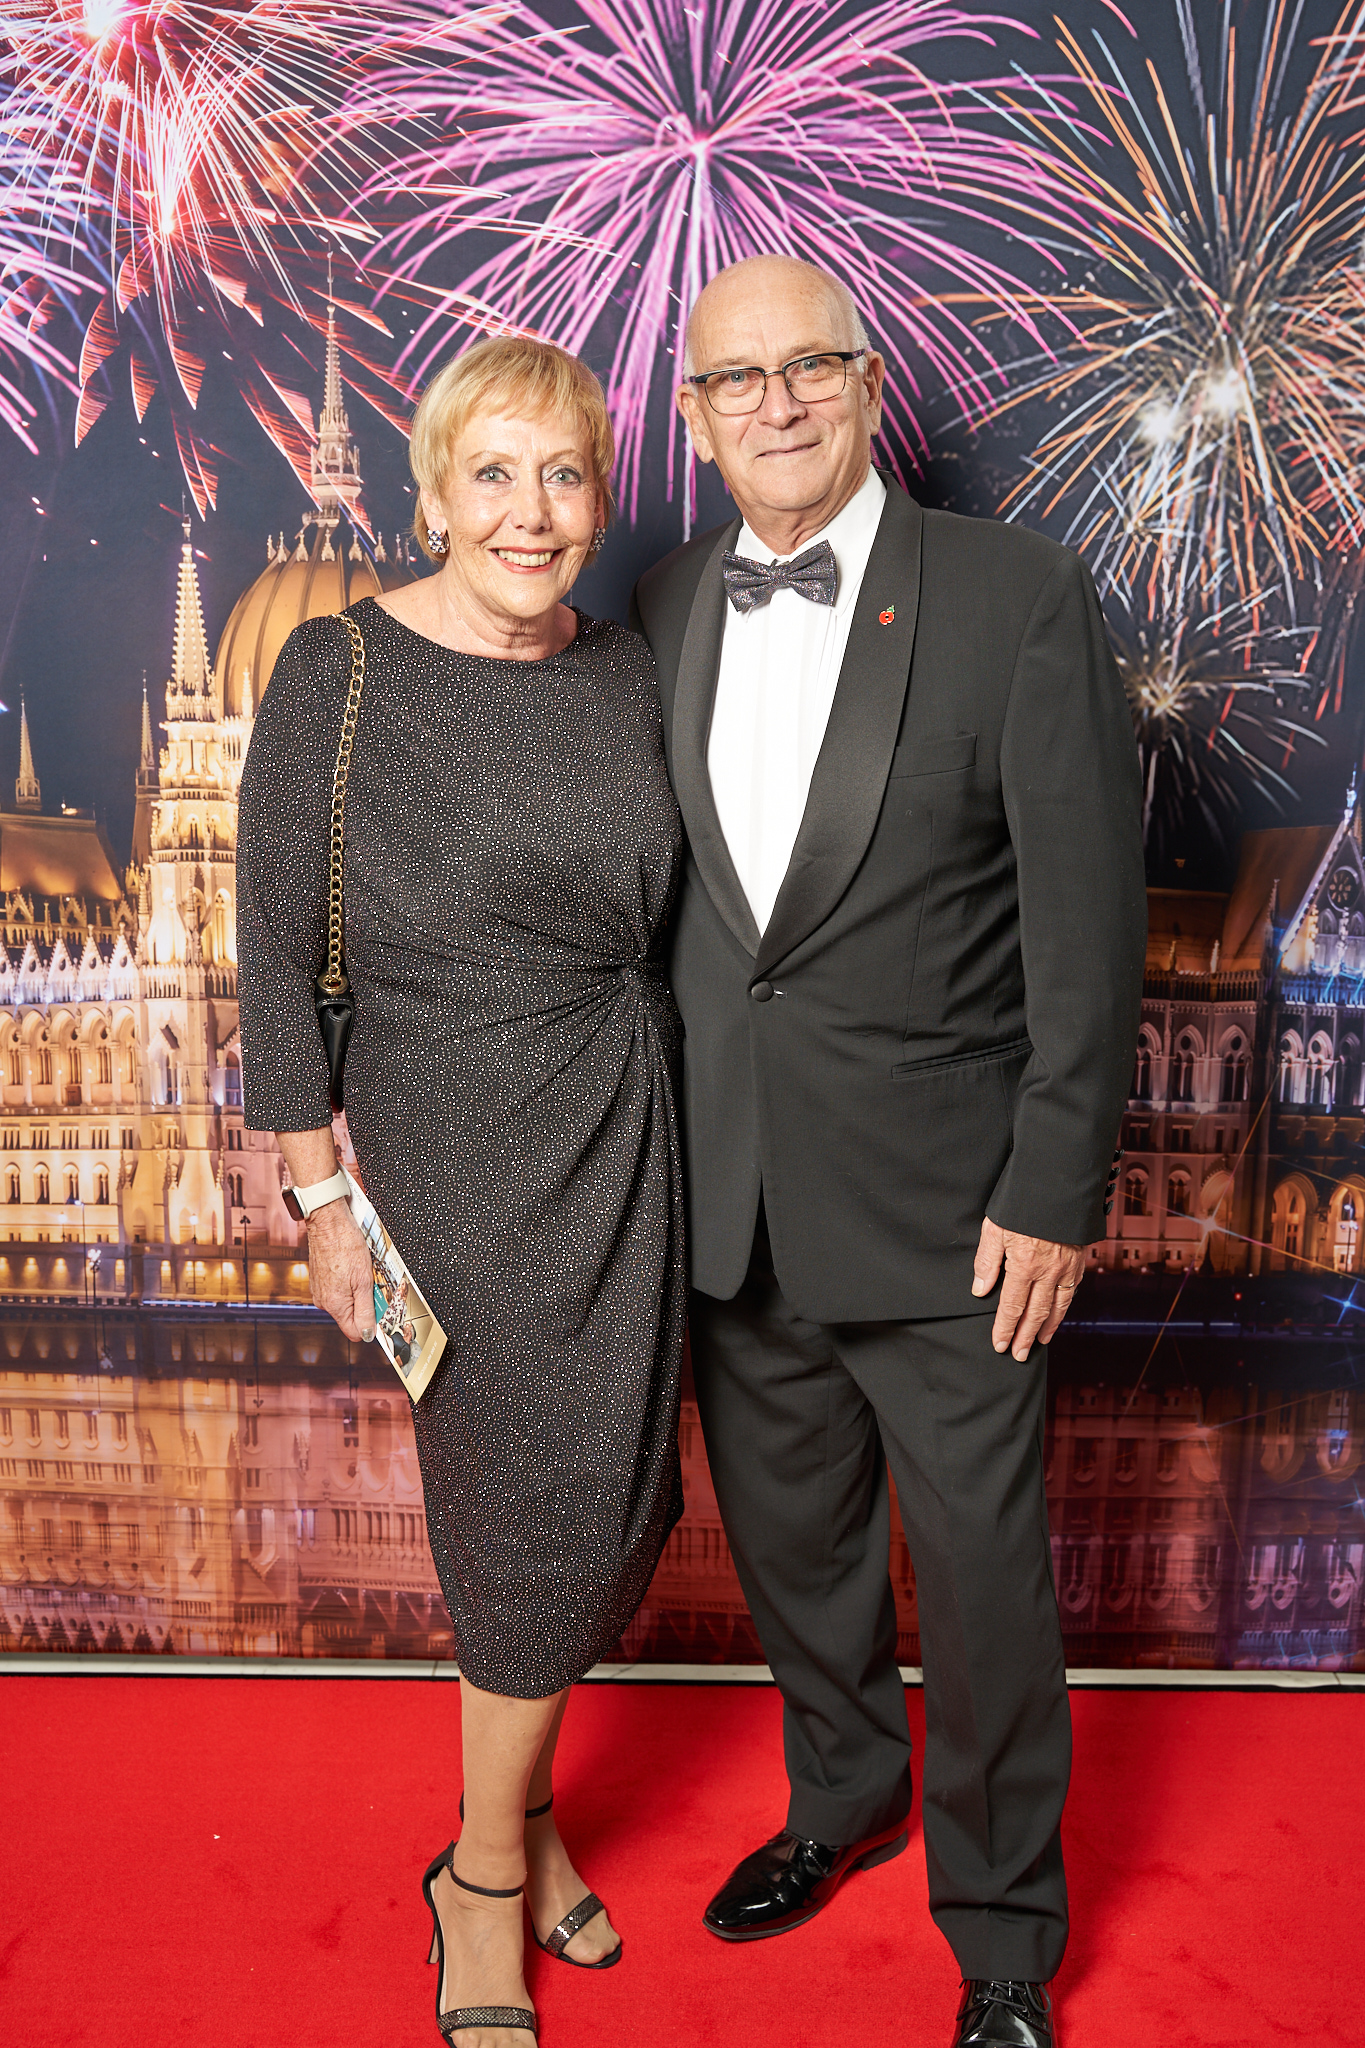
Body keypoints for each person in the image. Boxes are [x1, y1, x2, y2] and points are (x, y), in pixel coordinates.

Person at [630, 254, 1146, 2048]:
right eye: (735, 379)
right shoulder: (664, 598)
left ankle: (1002, 1928)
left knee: (984, 1588)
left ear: (864, 383)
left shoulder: (1014, 594)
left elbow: (1087, 931)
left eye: (807, 366)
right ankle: (839, 1798)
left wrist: (1054, 1191)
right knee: (797, 1554)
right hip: (735, 1197)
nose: (773, 403)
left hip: (953, 1217)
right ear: (693, 419)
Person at [236, 336, 686, 2048]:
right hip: (453, 1144)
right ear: (430, 497)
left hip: (627, 1124)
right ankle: (479, 1879)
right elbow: (275, 952)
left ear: (599, 503)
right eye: (491, 474)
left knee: (613, 1497)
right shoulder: (338, 670)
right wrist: (319, 1198)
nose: (528, 511)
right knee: (525, 1510)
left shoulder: (628, 672)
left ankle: (530, 1817)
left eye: (562, 476)